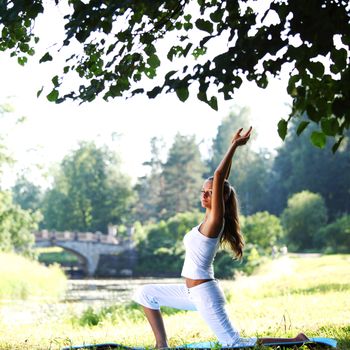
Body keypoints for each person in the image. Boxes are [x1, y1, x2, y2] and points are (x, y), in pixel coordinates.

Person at [133, 127, 308, 348]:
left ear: (221, 197)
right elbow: (220, 181)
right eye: (203, 191)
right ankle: (162, 345)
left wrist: (233, 145)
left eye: (210, 192)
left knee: (234, 343)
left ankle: (296, 340)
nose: (205, 195)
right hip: (190, 292)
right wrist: (222, 176)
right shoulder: (206, 221)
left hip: (205, 293)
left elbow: (219, 177)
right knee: (145, 294)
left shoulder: (216, 221)